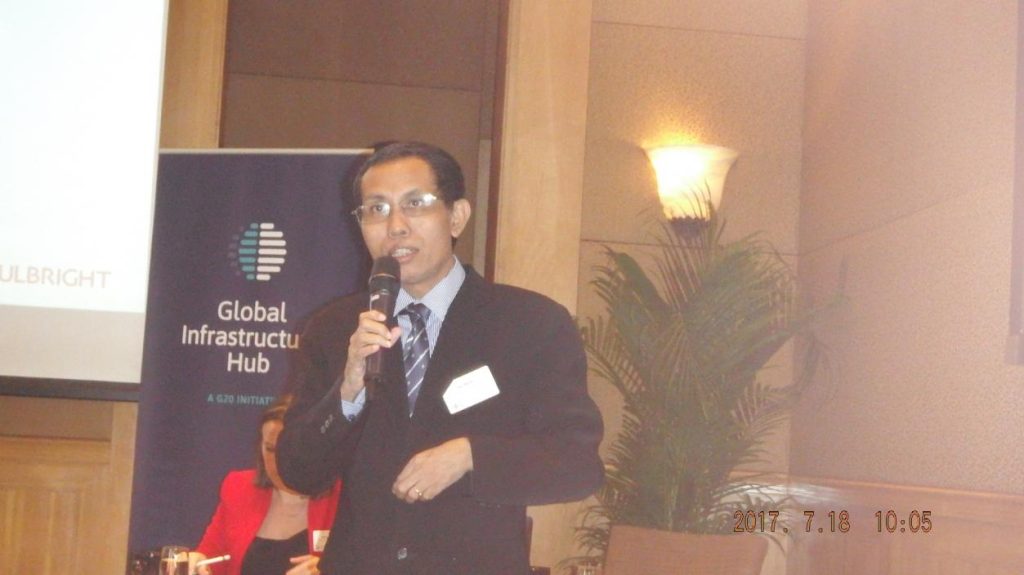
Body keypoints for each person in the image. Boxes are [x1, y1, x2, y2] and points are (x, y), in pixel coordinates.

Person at [276, 141, 604, 574]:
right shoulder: (335, 329)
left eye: (415, 204)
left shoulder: (529, 324)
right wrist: (348, 391)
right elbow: (298, 472)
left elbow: (578, 465)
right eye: (376, 209)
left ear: (457, 216)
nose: (395, 226)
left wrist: (470, 457)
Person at [190, 395, 342, 575]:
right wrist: (197, 562)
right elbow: (211, 559)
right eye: (269, 449)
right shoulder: (239, 488)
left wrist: (330, 571)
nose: (277, 461)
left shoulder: (342, 498)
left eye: (286, 450)